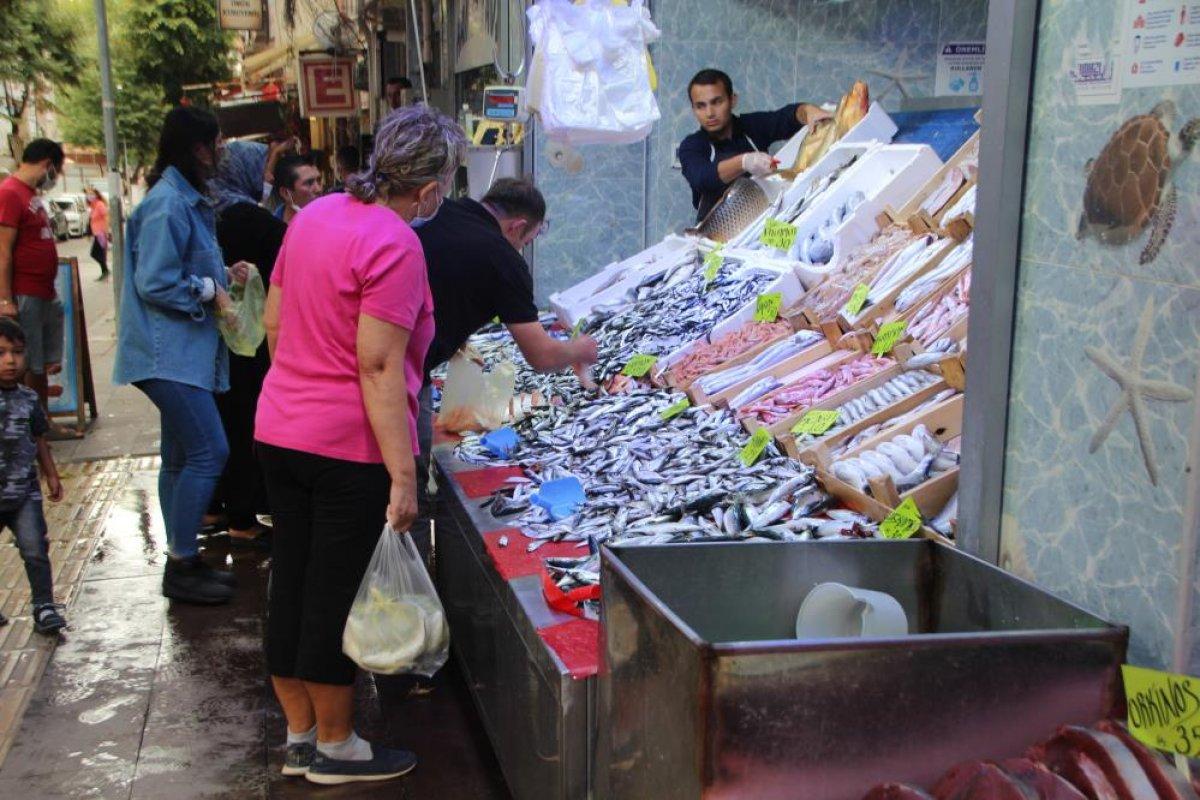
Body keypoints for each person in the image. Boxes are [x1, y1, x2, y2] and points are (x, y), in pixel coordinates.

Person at [255, 105, 465, 785]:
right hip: (347, 450)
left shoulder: (314, 215)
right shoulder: (396, 244)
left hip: (280, 430)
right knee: (334, 595)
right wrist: (403, 477)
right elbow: (378, 366)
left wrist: (300, 390)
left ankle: (299, 736)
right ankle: (336, 747)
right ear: (429, 188)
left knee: (291, 582)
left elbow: (274, 321)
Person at [113, 106, 252, 606]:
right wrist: (209, 289)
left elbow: (183, 265)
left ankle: (183, 558)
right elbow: (155, 282)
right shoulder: (168, 204)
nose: (222, 152)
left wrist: (224, 274)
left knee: (179, 459)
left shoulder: (185, 200)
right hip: (166, 353)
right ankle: (181, 563)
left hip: (181, 354)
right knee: (210, 452)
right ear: (197, 149)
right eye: (217, 143)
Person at [413, 177, 598, 508]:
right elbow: (541, 356)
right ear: (518, 226)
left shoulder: (444, 211)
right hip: (401, 375)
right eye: (528, 240)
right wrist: (580, 349)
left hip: (362, 353)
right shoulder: (502, 258)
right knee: (403, 485)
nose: (522, 248)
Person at [206, 140, 284, 548]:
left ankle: (214, 505)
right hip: (251, 339)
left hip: (214, 335)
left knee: (222, 421)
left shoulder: (207, 211)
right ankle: (242, 517)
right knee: (244, 423)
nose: (266, 177)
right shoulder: (254, 221)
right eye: (263, 169)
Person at [678, 69, 829, 221]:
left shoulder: (752, 126)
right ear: (693, 109)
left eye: (717, 102)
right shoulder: (692, 146)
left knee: (795, 232)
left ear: (732, 100)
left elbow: (788, 117)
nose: (709, 113)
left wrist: (808, 111)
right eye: (700, 106)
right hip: (717, 231)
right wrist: (744, 162)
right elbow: (702, 178)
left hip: (765, 222)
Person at [0, 139, 74, 437]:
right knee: (26, 363)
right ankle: (27, 429)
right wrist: (6, 300)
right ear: (48, 164)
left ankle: (42, 424)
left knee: (41, 364)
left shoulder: (31, 195)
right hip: (25, 292)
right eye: (56, 170)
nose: (55, 177)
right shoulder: (9, 193)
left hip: (44, 291)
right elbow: (3, 251)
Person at [0, 317, 66, 634]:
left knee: (35, 549)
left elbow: (39, 438)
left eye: (17, 352)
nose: (10, 361)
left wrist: (51, 474)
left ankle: (44, 606)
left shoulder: (28, 399)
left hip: (25, 493)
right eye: (1, 353)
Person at [272, 153, 322, 223]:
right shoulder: (270, 228)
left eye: (319, 180)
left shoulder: (331, 220)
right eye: (309, 183)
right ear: (286, 193)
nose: (319, 189)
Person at [85, 188, 110, 280]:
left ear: (96, 195)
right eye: (88, 194)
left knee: (95, 253)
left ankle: (105, 270)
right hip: (96, 233)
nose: (90, 196)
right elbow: (91, 221)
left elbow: (106, 217)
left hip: (101, 233)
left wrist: (107, 231)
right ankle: (104, 271)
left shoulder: (99, 204)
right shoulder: (93, 206)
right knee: (98, 253)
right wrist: (89, 233)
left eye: (92, 194)